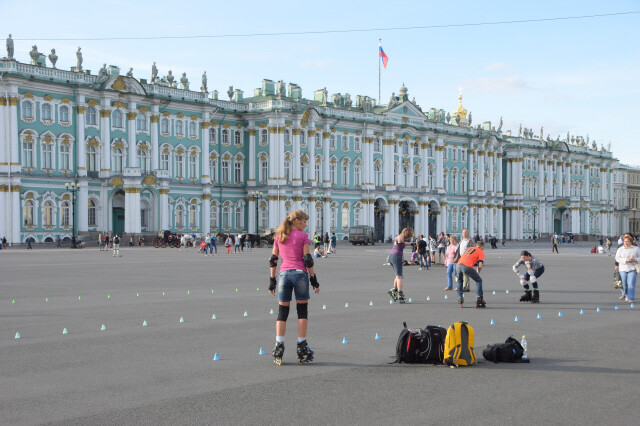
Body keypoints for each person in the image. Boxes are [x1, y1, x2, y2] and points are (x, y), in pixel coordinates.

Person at [268, 210, 320, 365]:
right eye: (304, 222)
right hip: (300, 275)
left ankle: (278, 346)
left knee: (282, 313)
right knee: (302, 312)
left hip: (284, 275)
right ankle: (302, 346)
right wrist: (313, 279)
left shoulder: (279, 236)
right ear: (297, 221)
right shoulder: (303, 237)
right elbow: (308, 260)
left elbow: (273, 259)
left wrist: (272, 280)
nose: (305, 225)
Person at [456, 240, 486, 308]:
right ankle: (479, 297)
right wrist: (478, 271)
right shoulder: (480, 251)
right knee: (479, 280)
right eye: (483, 248)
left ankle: (460, 298)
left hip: (458, 265)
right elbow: (480, 265)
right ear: (481, 246)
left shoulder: (470, 248)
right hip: (466, 266)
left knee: (459, 281)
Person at [387, 228, 414, 304]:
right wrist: (398, 242)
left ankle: (394, 290)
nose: (408, 237)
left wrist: (412, 244)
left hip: (393, 256)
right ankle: (400, 293)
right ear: (407, 233)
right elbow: (400, 240)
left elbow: (403, 243)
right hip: (396, 257)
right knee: (399, 276)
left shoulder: (399, 236)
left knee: (398, 275)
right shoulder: (401, 236)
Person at [615, 234, 640, 303]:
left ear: (631, 242)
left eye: (628, 241)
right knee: (625, 284)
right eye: (625, 241)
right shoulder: (620, 249)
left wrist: (635, 259)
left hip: (632, 268)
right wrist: (626, 260)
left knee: (631, 283)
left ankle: (630, 297)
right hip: (623, 268)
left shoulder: (636, 249)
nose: (626, 243)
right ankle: (625, 294)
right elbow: (617, 258)